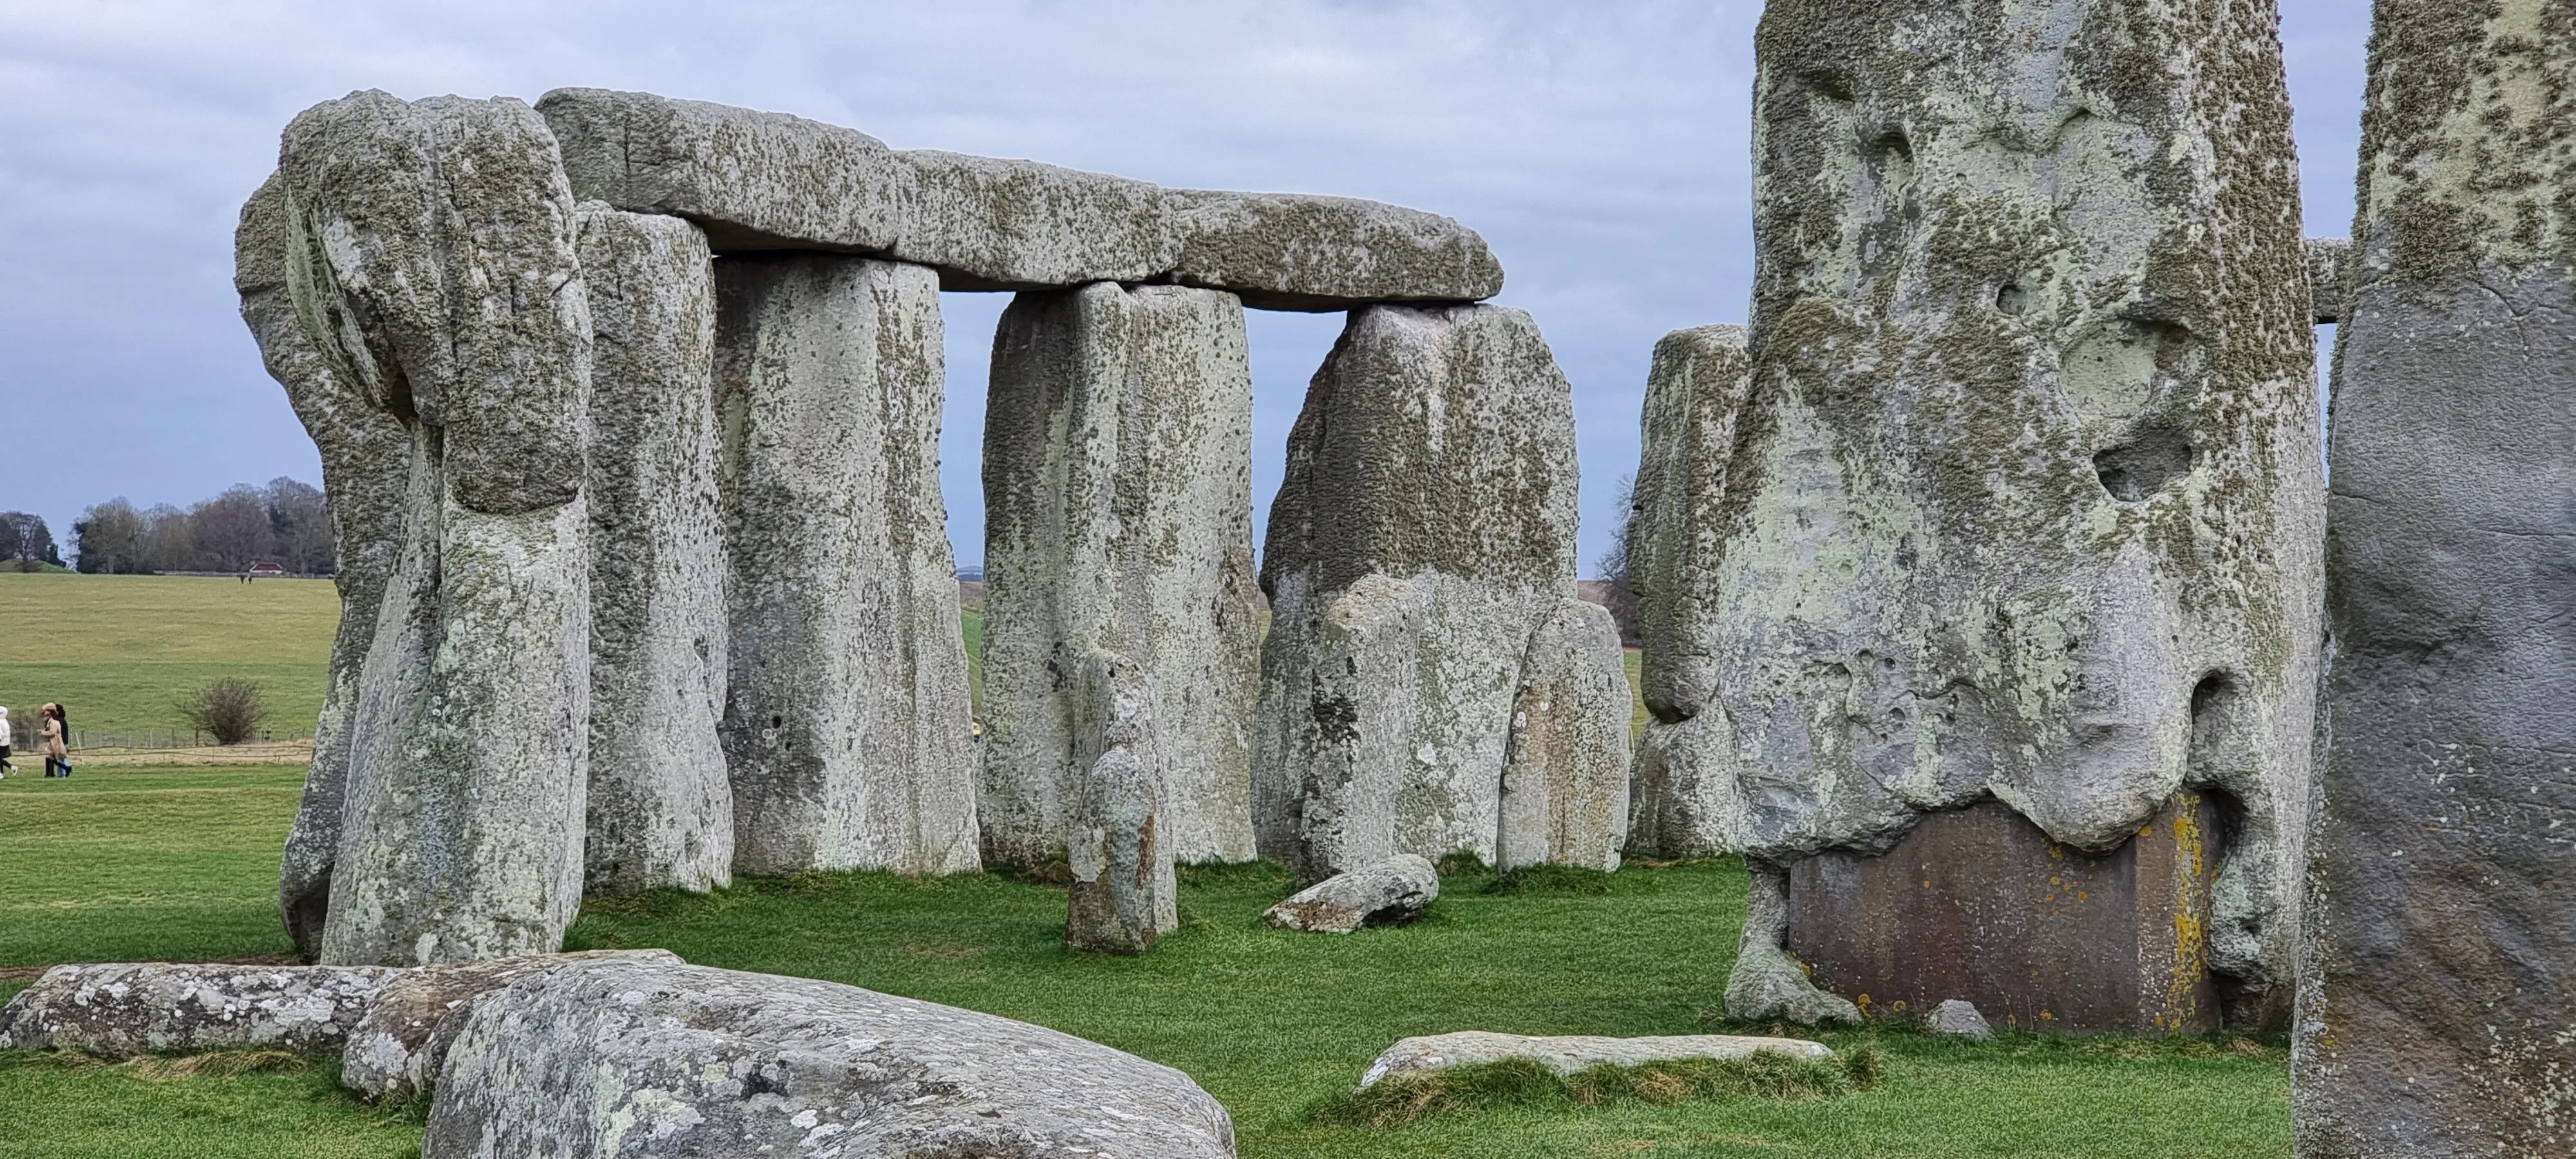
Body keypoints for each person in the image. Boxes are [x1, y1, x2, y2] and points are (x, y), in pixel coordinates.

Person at [41, 702, 67, 778]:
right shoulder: (52, 721)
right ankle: (50, 774)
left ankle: (50, 774)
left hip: (56, 743)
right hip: (54, 742)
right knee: (50, 756)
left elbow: (52, 733)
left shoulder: (53, 722)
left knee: (52, 757)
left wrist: (43, 732)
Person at [0, 704, 14, 777]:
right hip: (5, 742)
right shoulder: (4, 721)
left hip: (1, 743)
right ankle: (2, 773)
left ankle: (12, 767)